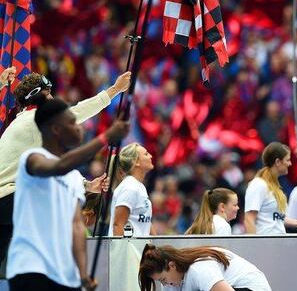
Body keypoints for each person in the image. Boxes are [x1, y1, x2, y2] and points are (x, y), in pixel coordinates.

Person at [0, 71, 130, 275]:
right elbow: (78, 113)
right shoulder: (35, 120)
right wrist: (115, 89)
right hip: (11, 197)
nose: (53, 99)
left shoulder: (25, 125)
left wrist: (87, 185)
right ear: (37, 94)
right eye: (49, 94)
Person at [244, 142, 297, 234]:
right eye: (287, 160)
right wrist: (254, 247)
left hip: (278, 243)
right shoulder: (258, 185)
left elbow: (277, 217)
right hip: (265, 245)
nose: (290, 164)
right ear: (277, 162)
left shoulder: (275, 187)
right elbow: (249, 219)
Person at [138, 244, 271, 291]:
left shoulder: (200, 269)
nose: (166, 284)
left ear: (171, 266)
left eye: (163, 279)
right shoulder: (170, 282)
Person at [109, 142, 154, 236]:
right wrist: (120, 250)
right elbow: (118, 225)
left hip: (140, 249)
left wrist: (156, 246)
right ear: (136, 162)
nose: (151, 156)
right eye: (146, 154)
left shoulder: (139, 186)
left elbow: (146, 223)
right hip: (128, 249)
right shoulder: (129, 188)